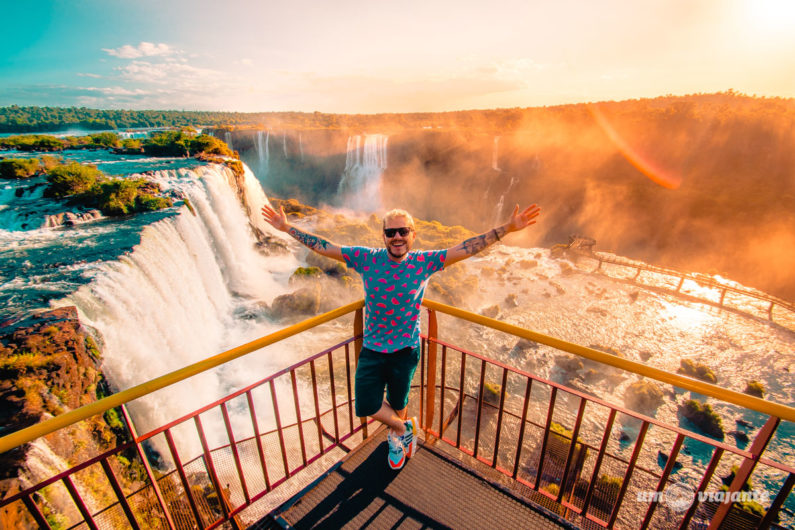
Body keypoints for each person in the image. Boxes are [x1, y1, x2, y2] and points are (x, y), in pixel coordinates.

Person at [261, 202, 541, 470]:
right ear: (383, 235)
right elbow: (324, 247)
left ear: (412, 235)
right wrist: (287, 228)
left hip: (406, 350)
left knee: (399, 401)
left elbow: (467, 248)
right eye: (390, 232)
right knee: (366, 403)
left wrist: (505, 228)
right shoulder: (365, 258)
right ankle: (404, 428)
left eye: (403, 231)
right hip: (372, 348)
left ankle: (398, 439)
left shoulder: (426, 262)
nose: (397, 237)